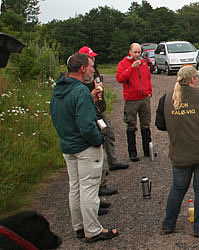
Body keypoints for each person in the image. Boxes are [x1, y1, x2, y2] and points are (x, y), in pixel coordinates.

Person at [50, 53, 119, 242]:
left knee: (75, 187)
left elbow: (59, 114)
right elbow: (86, 124)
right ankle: (93, 230)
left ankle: (79, 226)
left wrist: (90, 99)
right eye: (90, 67)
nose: (93, 70)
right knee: (89, 188)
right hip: (85, 147)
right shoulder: (79, 90)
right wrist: (98, 140)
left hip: (68, 145)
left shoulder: (60, 89)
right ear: (82, 68)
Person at [156, 66, 199, 238]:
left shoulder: (165, 99)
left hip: (180, 152)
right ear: (192, 79)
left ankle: (168, 224)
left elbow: (160, 125)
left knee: (178, 188)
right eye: (196, 78)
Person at [78, 46, 129, 198]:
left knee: (109, 134)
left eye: (93, 57)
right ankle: (100, 184)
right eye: (91, 57)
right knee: (99, 140)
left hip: (100, 108)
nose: (94, 59)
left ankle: (111, 163)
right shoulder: (81, 79)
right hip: (92, 111)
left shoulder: (95, 71)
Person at [116, 43, 153, 162]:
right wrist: (131, 67)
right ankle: (132, 152)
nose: (137, 55)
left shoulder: (143, 63)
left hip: (144, 97)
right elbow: (120, 78)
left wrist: (149, 92)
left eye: (139, 52)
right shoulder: (123, 64)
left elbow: (148, 78)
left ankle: (148, 150)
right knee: (131, 125)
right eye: (135, 52)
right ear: (130, 52)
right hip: (131, 99)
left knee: (146, 124)